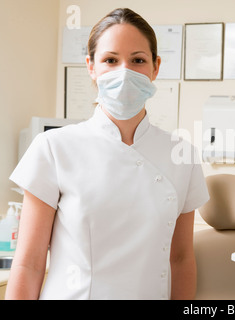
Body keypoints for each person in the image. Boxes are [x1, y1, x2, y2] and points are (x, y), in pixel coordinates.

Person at [6, 8, 209, 300]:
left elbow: (181, 260)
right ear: (91, 66)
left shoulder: (182, 154)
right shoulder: (53, 148)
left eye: (138, 60)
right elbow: (29, 264)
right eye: (110, 60)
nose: (124, 72)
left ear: (156, 67)